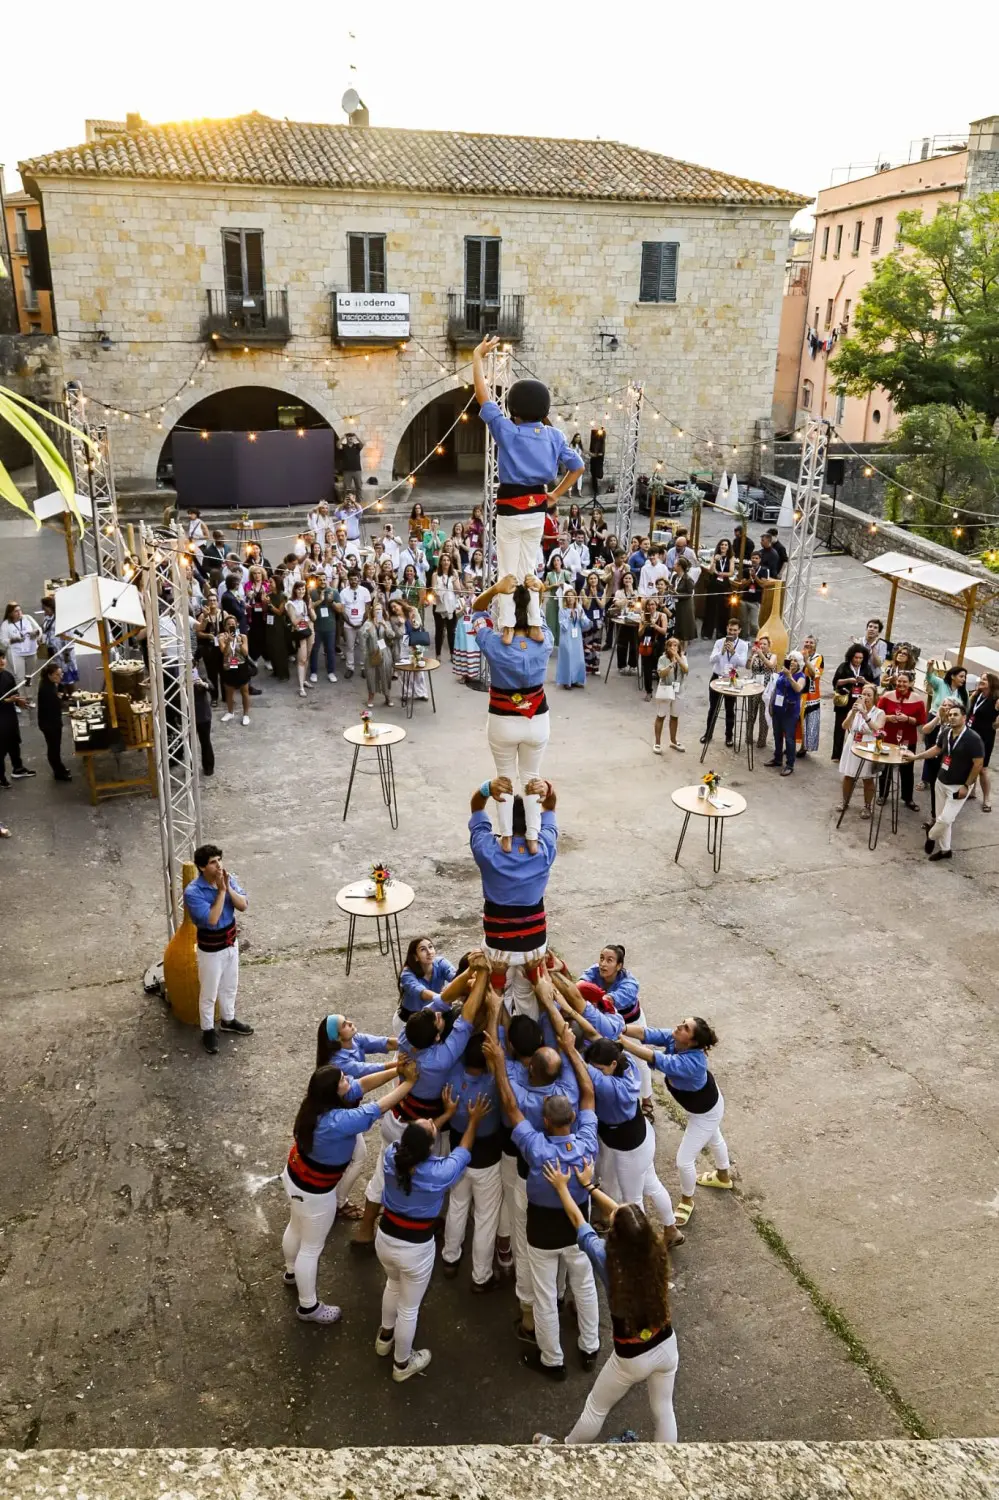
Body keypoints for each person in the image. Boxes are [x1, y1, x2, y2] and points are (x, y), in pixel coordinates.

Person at [484, 1019, 600, 1380]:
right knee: (584, 1283)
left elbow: (510, 1105)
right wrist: (570, 1048)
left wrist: (500, 1062)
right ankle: (590, 1346)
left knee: (545, 1294)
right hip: (579, 1224)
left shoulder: (536, 1147)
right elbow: (589, 1093)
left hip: (542, 1229)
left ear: (546, 1123)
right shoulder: (586, 1141)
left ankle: (553, 1361)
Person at [534, 1159, 679, 1446]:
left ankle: (564, 1449)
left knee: (596, 1407)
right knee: (663, 1410)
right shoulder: (655, 1251)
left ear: (615, 1235)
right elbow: (623, 1217)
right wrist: (589, 1185)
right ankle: (668, 1464)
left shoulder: (606, 1259)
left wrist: (563, 1187)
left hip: (631, 1357)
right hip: (665, 1344)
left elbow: (579, 1220)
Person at [283, 1060, 415, 1325]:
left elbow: (362, 1085)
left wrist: (398, 1070)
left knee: (296, 1226)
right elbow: (378, 1107)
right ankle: (308, 1307)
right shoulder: (338, 1120)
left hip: (295, 1176)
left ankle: (290, 1272)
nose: (349, 1080)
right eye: (343, 1079)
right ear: (333, 1091)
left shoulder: (315, 1106)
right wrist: (409, 1083)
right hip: (316, 1193)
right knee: (311, 1247)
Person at [473, 335, 583, 642]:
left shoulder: (507, 430)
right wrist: (556, 495)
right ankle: (533, 623)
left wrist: (477, 357)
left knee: (507, 569)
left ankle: (508, 625)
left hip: (510, 507)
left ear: (514, 408)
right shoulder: (555, 435)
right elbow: (578, 468)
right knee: (529, 568)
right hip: (537, 509)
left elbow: (483, 397)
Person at [374, 1091, 491, 1381]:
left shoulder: (392, 1157)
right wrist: (473, 1120)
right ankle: (402, 1364)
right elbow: (463, 1150)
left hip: (386, 1238)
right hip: (415, 1248)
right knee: (410, 1307)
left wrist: (443, 1117)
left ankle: (384, 1337)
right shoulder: (438, 1173)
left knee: (392, 1285)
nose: (429, 1119)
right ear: (430, 1148)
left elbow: (417, 1139)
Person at [622, 1016, 730, 1228]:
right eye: (682, 1022)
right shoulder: (676, 1040)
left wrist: (622, 1041)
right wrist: (622, 1027)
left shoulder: (692, 1062)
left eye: (685, 1028)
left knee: (684, 1161)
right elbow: (647, 1034)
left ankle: (687, 1201)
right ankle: (723, 1177)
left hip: (705, 1113)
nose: (679, 1026)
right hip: (707, 1105)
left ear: (692, 1042)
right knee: (714, 1136)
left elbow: (658, 1060)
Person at [472, 577, 554, 849]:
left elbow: (476, 610)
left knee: (504, 777)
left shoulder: (494, 643)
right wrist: (537, 590)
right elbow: (538, 618)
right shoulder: (545, 641)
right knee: (532, 777)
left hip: (502, 720)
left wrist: (496, 590)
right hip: (537, 719)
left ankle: (506, 837)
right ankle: (532, 838)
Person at [469, 776, 558, 1018]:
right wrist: (547, 789)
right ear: (533, 823)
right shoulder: (545, 850)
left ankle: (500, 1037)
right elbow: (550, 807)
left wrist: (487, 788)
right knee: (528, 998)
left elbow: (476, 808)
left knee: (498, 996)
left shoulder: (488, 852)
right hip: (534, 945)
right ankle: (529, 1039)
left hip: (499, 946)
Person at [441, 1031, 504, 1290]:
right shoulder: (494, 1082)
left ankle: (450, 1257)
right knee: (485, 1218)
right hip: (487, 1156)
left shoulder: (452, 1073)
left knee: (457, 1205)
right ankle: (481, 1275)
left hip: (458, 1150)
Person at [182, 844, 252, 1055]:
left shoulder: (227, 879)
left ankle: (228, 1019)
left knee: (230, 985)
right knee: (209, 992)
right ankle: (208, 1029)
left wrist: (227, 887)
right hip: (211, 948)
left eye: (219, 860)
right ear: (202, 867)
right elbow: (211, 919)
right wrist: (221, 892)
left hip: (230, 942)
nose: (218, 865)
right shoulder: (193, 892)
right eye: (213, 862)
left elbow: (243, 905)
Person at [578, 945, 653, 1119]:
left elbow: (609, 1000)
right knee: (614, 1057)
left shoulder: (630, 983)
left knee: (640, 1061)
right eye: (601, 958)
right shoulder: (594, 971)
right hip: (609, 1021)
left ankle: (647, 1100)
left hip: (630, 1023)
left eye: (609, 960)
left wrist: (589, 995)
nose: (603, 964)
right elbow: (581, 984)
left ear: (619, 966)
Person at [904, 702, 984, 861]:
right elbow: (936, 749)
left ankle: (931, 835)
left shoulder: (973, 739)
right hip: (941, 781)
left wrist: (967, 785)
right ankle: (946, 850)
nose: (952, 717)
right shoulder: (946, 732)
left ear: (964, 717)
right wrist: (916, 756)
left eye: (956, 715)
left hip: (959, 786)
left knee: (946, 819)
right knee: (941, 817)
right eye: (950, 715)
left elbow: (978, 764)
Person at [876, 669, 926, 810]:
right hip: (888, 737)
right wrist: (887, 717)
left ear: (911, 683)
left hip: (907, 739)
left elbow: (921, 721)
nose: (901, 684)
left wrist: (908, 719)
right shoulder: (887, 696)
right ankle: (883, 795)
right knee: (885, 767)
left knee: (907, 769)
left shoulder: (918, 699)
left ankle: (908, 798)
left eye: (904, 682)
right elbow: (877, 714)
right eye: (899, 681)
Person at [838, 682, 885, 818]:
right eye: (863, 694)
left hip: (868, 745)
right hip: (852, 743)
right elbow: (844, 725)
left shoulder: (879, 713)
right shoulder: (855, 710)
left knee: (867, 778)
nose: (865, 697)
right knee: (848, 776)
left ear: (875, 697)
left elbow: (878, 728)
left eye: (869, 695)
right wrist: (853, 713)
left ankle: (867, 806)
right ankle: (845, 802)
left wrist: (865, 715)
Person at [701, 620, 749, 749]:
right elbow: (712, 660)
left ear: (739, 631)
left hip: (731, 677)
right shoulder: (719, 642)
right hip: (717, 676)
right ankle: (708, 733)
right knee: (713, 708)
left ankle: (729, 736)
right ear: (727, 628)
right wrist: (721, 651)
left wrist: (733, 652)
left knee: (729, 708)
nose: (732, 632)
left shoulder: (743, 645)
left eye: (735, 630)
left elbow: (743, 663)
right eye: (730, 629)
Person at [398, 937, 458, 1031]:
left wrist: (451, 986)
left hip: (432, 1015)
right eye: (423, 949)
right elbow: (420, 991)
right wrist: (441, 997)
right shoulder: (407, 974)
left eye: (430, 947)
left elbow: (456, 978)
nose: (429, 952)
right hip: (409, 1018)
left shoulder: (441, 963)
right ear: (415, 957)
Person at [831, 644, 877, 760]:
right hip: (845, 700)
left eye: (860, 658)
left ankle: (855, 752)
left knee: (857, 727)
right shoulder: (844, 666)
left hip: (860, 701)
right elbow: (835, 682)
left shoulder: (866, 668)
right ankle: (837, 755)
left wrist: (864, 681)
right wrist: (848, 680)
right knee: (840, 727)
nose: (858, 660)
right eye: (856, 658)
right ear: (851, 657)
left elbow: (872, 686)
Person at [766, 650, 807, 775]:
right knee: (777, 734)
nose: (792, 662)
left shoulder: (800, 676)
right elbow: (775, 687)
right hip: (778, 708)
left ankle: (790, 764)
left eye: (795, 660)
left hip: (790, 710)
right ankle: (777, 758)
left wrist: (789, 676)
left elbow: (798, 688)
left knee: (789, 738)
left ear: (799, 664)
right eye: (791, 659)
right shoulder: (782, 672)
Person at [0, 650, 33, 786]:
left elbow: (15, 694)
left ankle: (18, 768)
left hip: (10, 715)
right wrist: (7, 701)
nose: (1, 661)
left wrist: (19, 701)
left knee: (14, 742)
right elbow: (6, 699)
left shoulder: (8, 675)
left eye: (2, 657)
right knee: (1, 748)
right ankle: (1, 777)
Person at [968, 671, 998, 812]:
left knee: (983, 769)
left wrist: (997, 724)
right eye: (981, 678)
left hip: (985, 737)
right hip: (970, 733)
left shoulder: (996, 699)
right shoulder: (976, 695)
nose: (981, 680)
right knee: (970, 763)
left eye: (985, 679)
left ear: (991, 683)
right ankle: (971, 791)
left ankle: (987, 799)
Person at [36, 660, 71, 781]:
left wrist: (61, 694)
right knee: (53, 748)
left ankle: (60, 768)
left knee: (56, 747)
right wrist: (60, 698)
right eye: (57, 674)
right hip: (49, 724)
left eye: (61, 674)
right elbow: (57, 704)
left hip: (53, 721)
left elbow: (62, 695)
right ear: (49, 675)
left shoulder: (52, 685)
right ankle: (58, 772)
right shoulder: (46, 689)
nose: (60, 677)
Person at [653, 638, 688, 754]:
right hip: (665, 689)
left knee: (675, 716)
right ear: (667, 648)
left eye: (676, 646)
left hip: (678, 689)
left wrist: (677, 658)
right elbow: (661, 673)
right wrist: (671, 664)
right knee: (661, 715)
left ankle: (673, 741)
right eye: (671, 645)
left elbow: (686, 669)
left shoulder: (683, 658)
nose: (673, 648)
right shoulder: (662, 659)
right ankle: (657, 743)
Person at [357, 601, 394, 709]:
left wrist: (385, 627)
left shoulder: (386, 623)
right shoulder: (368, 623)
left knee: (386, 674)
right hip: (371, 653)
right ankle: (371, 697)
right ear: (372, 612)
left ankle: (388, 696)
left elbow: (392, 636)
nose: (378, 611)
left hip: (385, 652)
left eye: (380, 610)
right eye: (376, 610)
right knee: (371, 676)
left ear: (383, 612)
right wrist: (367, 631)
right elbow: (361, 636)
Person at [0, 602, 42, 694]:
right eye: (16, 611)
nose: (19, 613)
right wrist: (13, 640)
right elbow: (3, 641)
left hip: (31, 652)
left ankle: (29, 696)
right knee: (19, 677)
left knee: (29, 676)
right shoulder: (6, 624)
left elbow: (39, 629)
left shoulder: (27, 618)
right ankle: (22, 697)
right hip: (16, 654)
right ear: (10, 613)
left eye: (19, 610)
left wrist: (36, 632)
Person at [219, 615, 252, 726]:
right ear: (225, 626)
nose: (231, 626)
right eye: (229, 624)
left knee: (245, 691)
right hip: (229, 666)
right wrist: (229, 642)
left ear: (237, 625)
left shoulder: (243, 637)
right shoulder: (222, 637)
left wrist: (239, 642)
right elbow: (224, 652)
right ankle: (230, 712)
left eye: (233, 624)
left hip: (241, 666)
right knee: (229, 691)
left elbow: (246, 653)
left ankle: (246, 714)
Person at [747, 634, 778, 750]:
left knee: (763, 716)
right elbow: (747, 666)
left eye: (765, 644)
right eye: (760, 644)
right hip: (754, 688)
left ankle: (761, 740)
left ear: (769, 646)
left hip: (766, 689)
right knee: (751, 714)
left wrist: (761, 655)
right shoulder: (755, 656)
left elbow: (771, 665)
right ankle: (748, 737)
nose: (762, 646)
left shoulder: (773, 656)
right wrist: (751, 656)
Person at [285, 580, 315, 697]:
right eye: (299, 589)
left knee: (307, 656)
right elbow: (293, 621)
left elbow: (314, 617)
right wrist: (302, 614)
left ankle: (304, 680)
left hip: (310, 628)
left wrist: (310, 608)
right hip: (300, 631)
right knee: (301, 658)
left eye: (303, 589)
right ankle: (301, 687)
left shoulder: (308, 600)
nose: (301, 591)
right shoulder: (291, 603)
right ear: (295, 590)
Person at [701, 540, 735, 640]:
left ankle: (721, 633)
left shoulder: (731, 558)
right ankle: (707, 632)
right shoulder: (715, 556)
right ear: (719, 546)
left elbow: (731, 572)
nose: (723, 546)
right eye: (722, 545)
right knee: (710, 608)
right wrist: (715, 561)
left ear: (728, 547)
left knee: (724, 609)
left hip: (724, 585)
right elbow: (711, 571)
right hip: (714, 584)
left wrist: (720, 573)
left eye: (725, 545)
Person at [195, 591, 225, 702]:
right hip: (209, 648)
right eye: (210, 600)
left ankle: (226, 696)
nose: (212, 602)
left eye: (214, 600)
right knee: (212, 673)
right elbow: (198, 632)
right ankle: (214, 697)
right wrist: (207, 635)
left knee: (224, 672)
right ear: (207, 603)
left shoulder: (223, 614)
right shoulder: (203, 616)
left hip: (221, 647)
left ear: (218, 602)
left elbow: (229, 628)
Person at [556, 589, 589, 689]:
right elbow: (562, 626)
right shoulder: (562, 610)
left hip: (576, 638)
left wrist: (582, 616)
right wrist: (569, 618)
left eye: (572, 596)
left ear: (575, 598)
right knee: (568, 658)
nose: (570, 598)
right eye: (568, 596)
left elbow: (585, 624)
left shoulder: (579, 609)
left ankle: (576, 679)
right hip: (566, 638)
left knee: (578, 659)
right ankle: (567, 681)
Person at [638, 597, 668, 701]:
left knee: (660, 668)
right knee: (647, 668)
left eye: (653, 604)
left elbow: (664, 631)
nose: (651, 607)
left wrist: (654, 625)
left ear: (656, 605)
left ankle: (662, 691)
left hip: (659, 644)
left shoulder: (662, 615)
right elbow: (639, 633)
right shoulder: (643, 616)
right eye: (649, 605)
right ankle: (648, 691)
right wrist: (644, 625)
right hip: (647, 644)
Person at [309, 582, 340, 683]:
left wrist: (331, 602)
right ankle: (313, 672)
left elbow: (340, 609)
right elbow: (309, 608)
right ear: (317, 580)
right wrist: (320, 600)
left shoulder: (334, 592)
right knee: (314, 650)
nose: (323, 581)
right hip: (316, 627)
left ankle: (331, 672)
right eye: (320, 579)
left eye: (324, 579)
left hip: (330, 627)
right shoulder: (312, 592)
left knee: (330, 650)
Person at [738, 550, 770, 640]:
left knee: (754, 624)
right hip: (744, 599)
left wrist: (755, 577)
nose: (754, 560)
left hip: (755, 601)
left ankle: (762, 639)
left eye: (756, 558)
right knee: (743, 622)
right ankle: (744, 639)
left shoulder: (764, 571)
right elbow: (742, 585)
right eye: (753, 558)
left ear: (760, 560)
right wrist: (750, 578)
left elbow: (763, 584)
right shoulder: (745, 570)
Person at [265, 589, 291, 682]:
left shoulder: (282, 596)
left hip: (279, 625)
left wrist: (270, 604)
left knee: (280, 649)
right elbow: (265, 610)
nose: (270, 584)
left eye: (272, 582)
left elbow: (280, 612)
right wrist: (265, 602)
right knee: (271, 648)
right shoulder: (268, 595)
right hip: (270, 625)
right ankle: (275, 671)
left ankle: (283, 674)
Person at [670, 556, 696, 649]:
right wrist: (671, 591)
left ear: (680, 566)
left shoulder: (688, 579)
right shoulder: (675, 576)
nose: (674, 565)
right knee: (678, 627)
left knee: (684, 628)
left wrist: (676, 595)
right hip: (676, 604)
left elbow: (689, 594)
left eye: (675, 564)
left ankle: (683, 651)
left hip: (685, 606)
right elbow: (672, 588)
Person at [193, 672, 214, 777]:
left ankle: (208, 767)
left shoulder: (200, 676)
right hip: (188, 715)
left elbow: (211, 687)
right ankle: (190, 767)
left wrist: (203, 684)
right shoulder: (180, 677)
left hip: (203, 715)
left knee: (205, 741)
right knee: (189, 743)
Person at [339, 430, 365, 500]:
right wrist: (343, 437)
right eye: (349, 436)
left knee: (359, 487)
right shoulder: (344, 446)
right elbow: (338, 445)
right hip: (347, 471)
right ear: (347, 438)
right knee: (347, 488)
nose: (350, 438)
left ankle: (359, 502)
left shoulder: (356, 446)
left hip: (357, 470)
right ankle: (347, 502)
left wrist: (356, 436)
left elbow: (362, 444)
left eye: (351, 436)